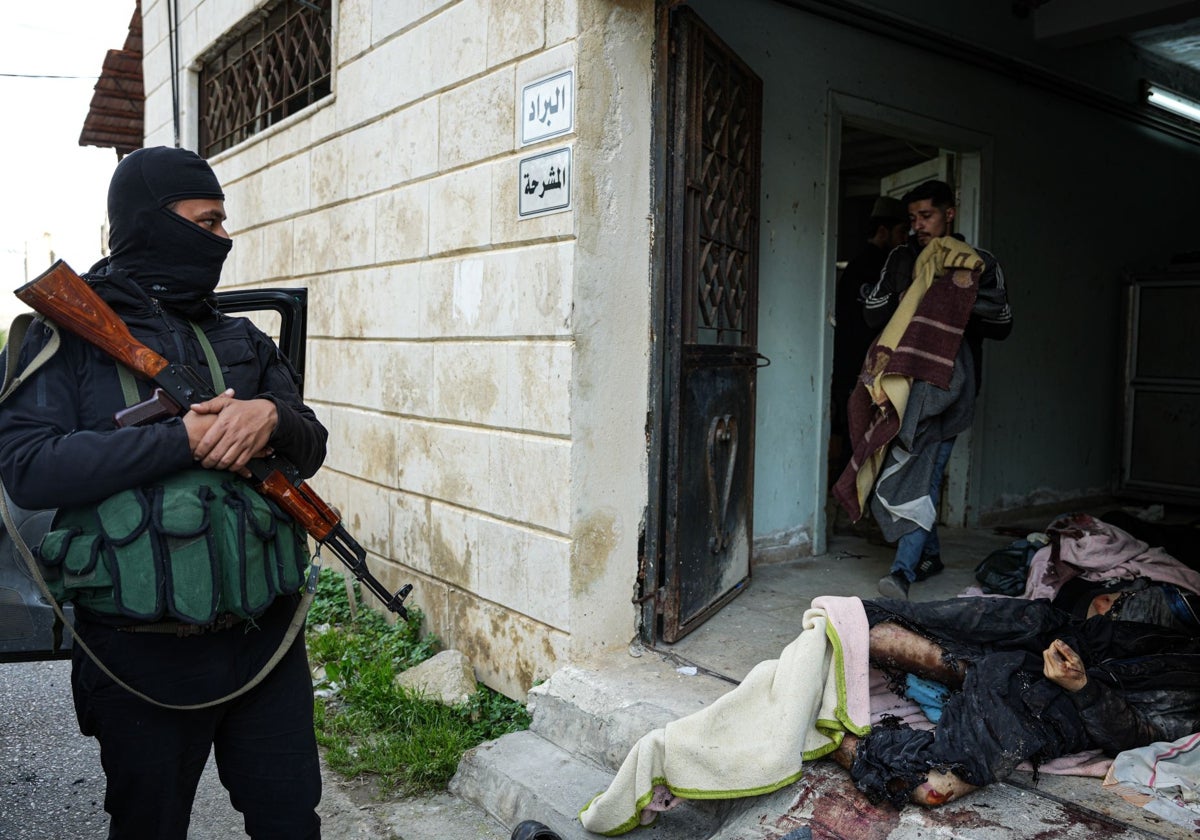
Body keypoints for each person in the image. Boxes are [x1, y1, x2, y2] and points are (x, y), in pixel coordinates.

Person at [0, 146, 327, 838]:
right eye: (205, 224)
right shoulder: (66, 340)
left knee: (291, 818)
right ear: (152, 223)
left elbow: (311, 441)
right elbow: (27, 467)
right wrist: (180, 439)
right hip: (139, 648)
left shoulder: (240, 338)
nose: (222, 240)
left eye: (221, 225)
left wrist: (270, 417)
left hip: (263, 638)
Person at [833, 594, 1200, 808]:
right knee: (870, 625)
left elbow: (1138, 735)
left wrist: (1082, 686)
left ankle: (830, 741)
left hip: (1064, 702)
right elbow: (1102, 617)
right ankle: (960, 670)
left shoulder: (1191, 698)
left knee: (934, 786)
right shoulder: (1184, 638)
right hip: (1055, 637)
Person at [860, 180, 1012, 599]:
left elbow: (1003, 323)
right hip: (900, 386)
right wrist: (909, 296)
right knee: (900, 471)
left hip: (952, 387)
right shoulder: (902, 257)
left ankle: (902, 572)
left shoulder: (979, 263)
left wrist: (952, 300)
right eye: (911, 219)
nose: (917, 226)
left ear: (950, 213)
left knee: (925, 474)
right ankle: (931, 556)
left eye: (925, 216)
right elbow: (872, 313)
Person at [830, 196, 908, 484]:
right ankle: (851, 508)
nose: (905, 240)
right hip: (859, 368)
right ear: (884, 231)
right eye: (901, 232)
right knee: (859, 440)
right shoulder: (870, 268)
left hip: (865, 369)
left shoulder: (874, 266)